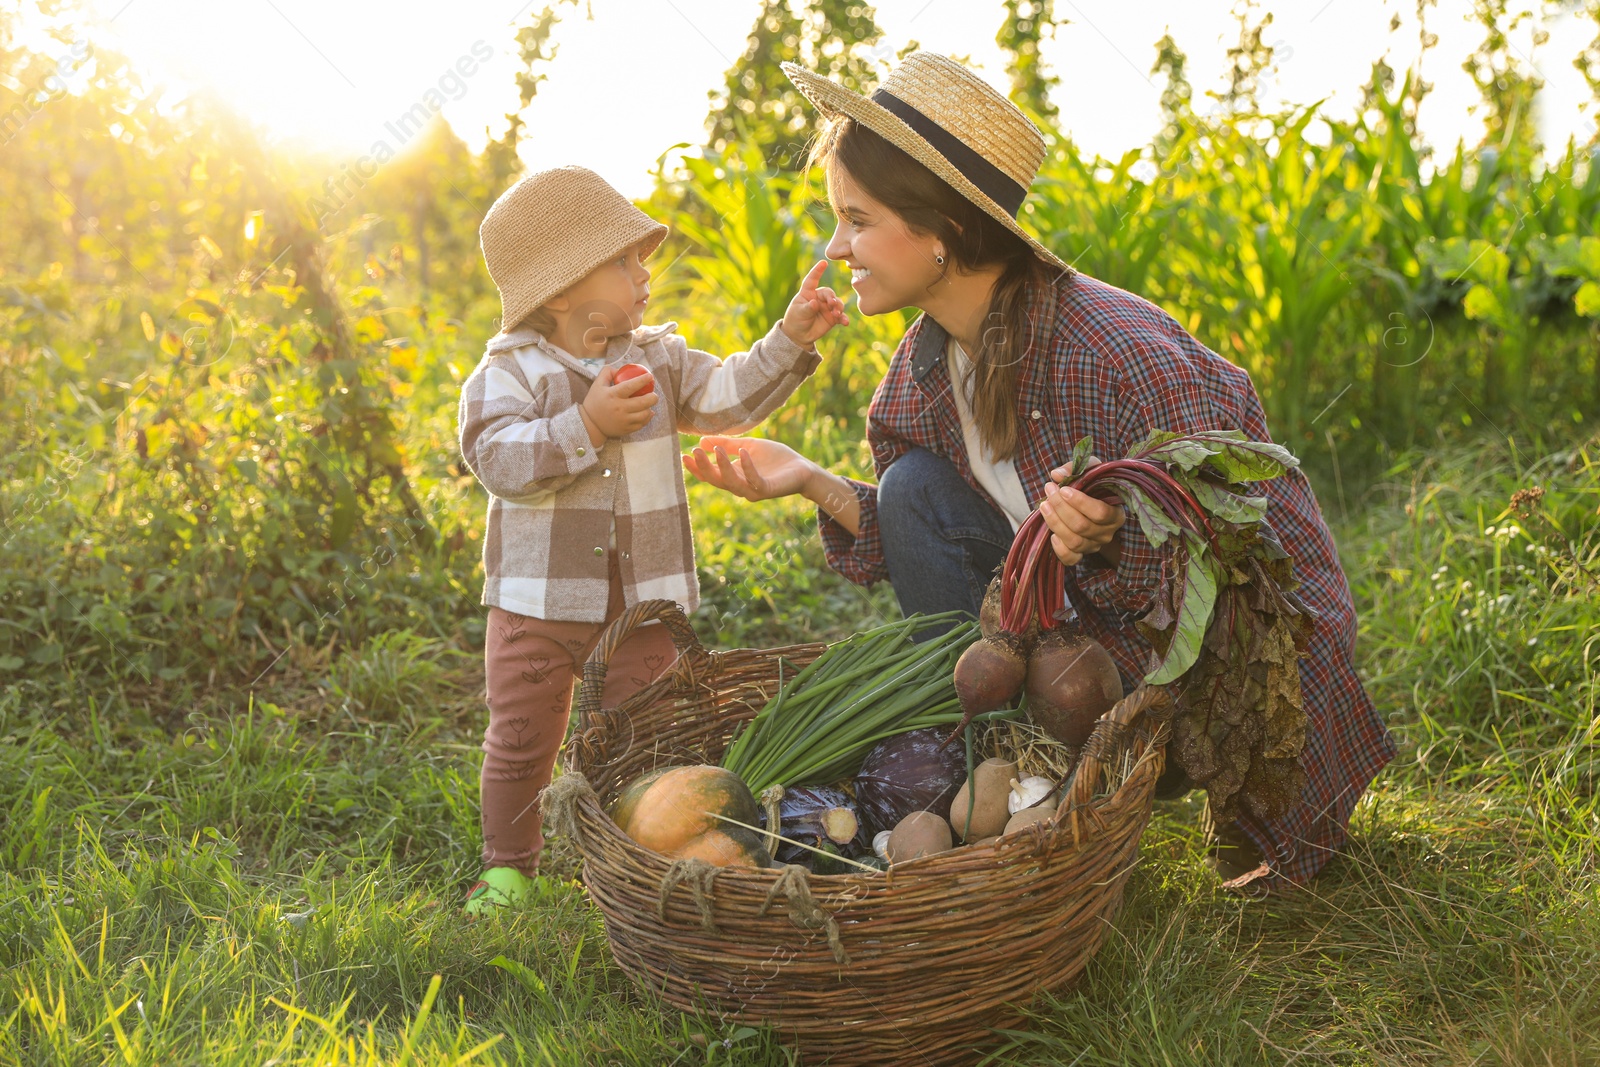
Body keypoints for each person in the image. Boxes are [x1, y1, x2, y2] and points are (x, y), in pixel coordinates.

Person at [682, 52, 1394, 894]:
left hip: (1199, 658)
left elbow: (1249, 575)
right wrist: (807, 479)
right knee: (910, 485)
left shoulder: (1115, 356)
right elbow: (920, 536)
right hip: (1068, 639)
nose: (837, 248)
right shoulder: (924, 368)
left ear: (940, 230)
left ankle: (1109, 787)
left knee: (1131, 651)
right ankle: (1018, 777)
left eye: (857, 219)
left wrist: (1114, 541)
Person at [457, 166, 848, 914]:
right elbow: (498, 461)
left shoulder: (658, 358)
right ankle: (508, 866)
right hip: (535, 604)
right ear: (562, 287)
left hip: (641, 610)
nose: (644, 274)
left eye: (642, 258)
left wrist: (788, 341)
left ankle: (645, 854)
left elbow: (728, 396)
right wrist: (587, 425)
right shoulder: (510, 370)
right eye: (625, 260)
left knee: (655, 737)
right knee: (519, 740)